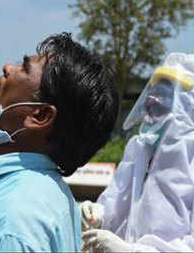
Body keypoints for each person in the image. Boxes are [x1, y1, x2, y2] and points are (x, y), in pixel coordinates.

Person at [0, 33, 119, 252]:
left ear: (39, 116)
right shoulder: (44, 192)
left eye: (24, 68)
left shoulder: (14, 220)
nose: (7, 67)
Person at [82, 52, 194, 252]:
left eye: (166, 91)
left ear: (188, 102)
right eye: (154, 89)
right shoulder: (140, 147)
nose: (153, 98)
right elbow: (117, 201)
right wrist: (98, 213)